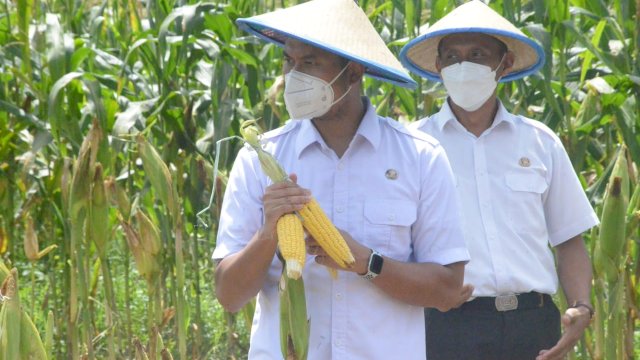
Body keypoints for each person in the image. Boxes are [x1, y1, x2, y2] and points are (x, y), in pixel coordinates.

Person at [212, 0, 470, 358]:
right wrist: (268, 232)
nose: (293, 76)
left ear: (353, 72)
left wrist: (367, 262)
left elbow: (446, 290)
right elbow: (228, 294)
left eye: (311, 63)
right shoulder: (259, 160)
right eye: (290, 61)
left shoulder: (420, 157)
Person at [399, 1, 599, 360]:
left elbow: (569, 240)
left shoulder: (540, 141)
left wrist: (581, 306)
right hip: (447, 324)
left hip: (533, 323)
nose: (464, 66)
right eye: (453, 57)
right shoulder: (413, 146)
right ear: (438, 66)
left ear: (504, 63)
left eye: (477, 54)